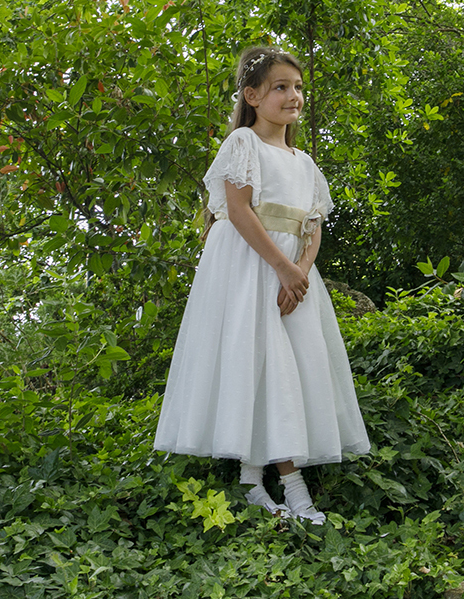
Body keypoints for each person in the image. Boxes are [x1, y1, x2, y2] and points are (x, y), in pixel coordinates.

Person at [154, 44, 370, 524]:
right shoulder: (244, 145)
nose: (293, 96)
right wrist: (281, 268)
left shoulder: (304, 162)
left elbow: (312, 225)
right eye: (280, 87)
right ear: (252, 95)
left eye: (297, 87)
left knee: (287, 370)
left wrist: (301, 270)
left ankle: (254, 479)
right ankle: (292, 490)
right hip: (251, 267)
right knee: (259, 364)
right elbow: (237, 210)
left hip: (293, 276)